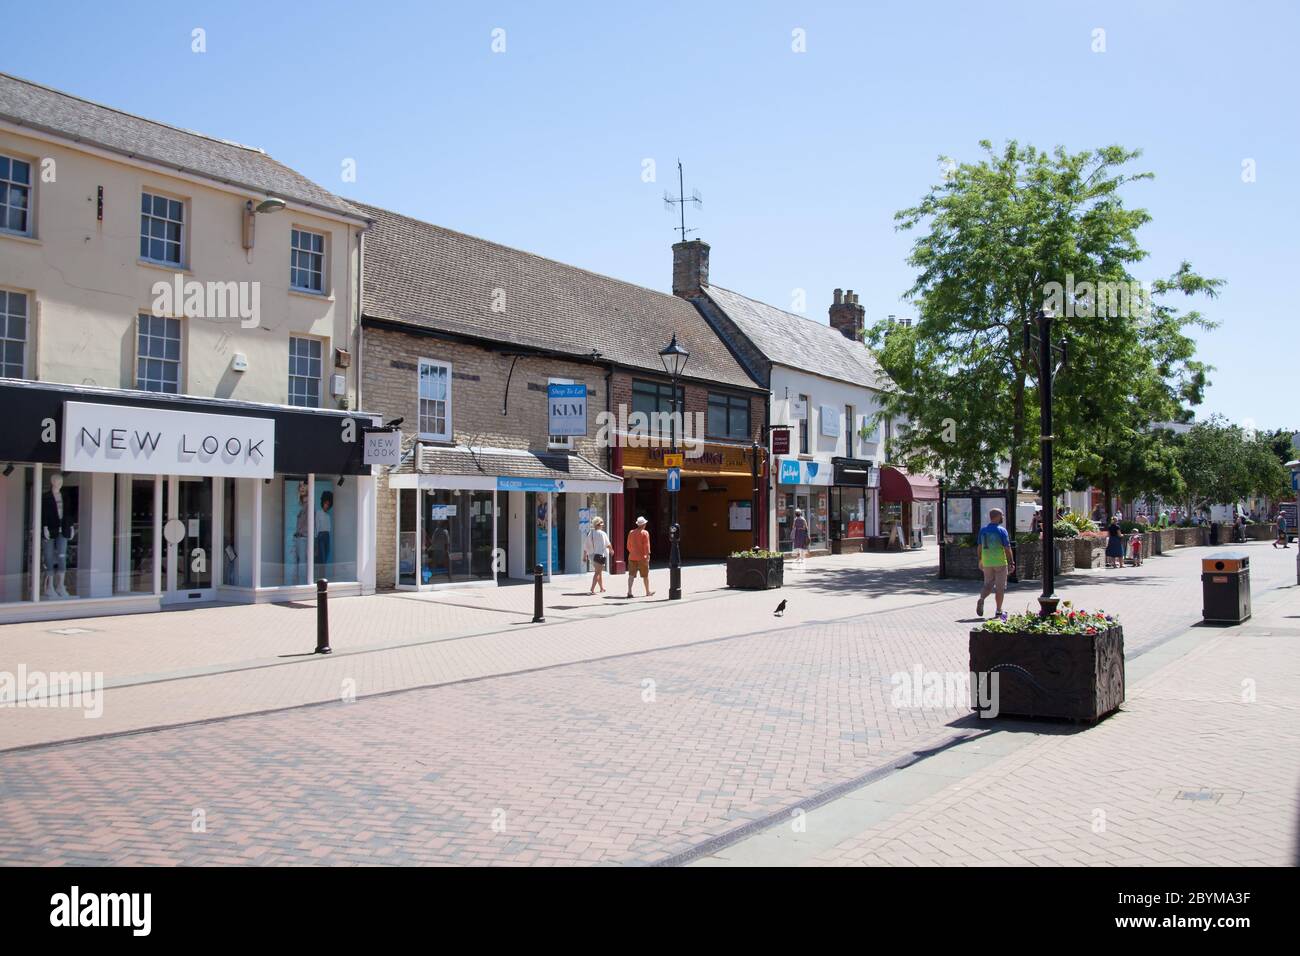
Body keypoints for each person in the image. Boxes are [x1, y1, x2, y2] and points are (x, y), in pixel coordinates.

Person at [975, 508, 1015, 617]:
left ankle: (982, 598)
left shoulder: (983, 530)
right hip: (1000, 562)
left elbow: (979, 547)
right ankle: (998, 610)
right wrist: (1011, 562)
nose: (1003, 517)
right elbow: (1007, 548)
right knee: (1000, 588)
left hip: (987, 562)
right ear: (997, 516)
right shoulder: (1001, 530)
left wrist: (980, 559)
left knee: (987, 585)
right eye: (1002, 515)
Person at [625, 515, 654, 598]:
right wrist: (647, 555)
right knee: (645, 575)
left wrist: (633, 552)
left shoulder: (631, 532)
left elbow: (628, 546)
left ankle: (629, 591)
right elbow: (646, 546)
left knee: (631, 575)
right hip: (642, 557)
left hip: (632, 556)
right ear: (643, 525)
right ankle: (648, 591)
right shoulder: (645, 533)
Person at [583, 516, 611, 593]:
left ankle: (601, 588)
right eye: (601, 524)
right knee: (597, 572)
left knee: (599, 571)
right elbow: (608, 544)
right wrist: (611, 550)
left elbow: (586, 545)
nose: (603, 525)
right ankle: (592, 589)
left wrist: (584, 556)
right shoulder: (602, 533)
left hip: (592, 555)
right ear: (598, 524)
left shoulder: (591, 533)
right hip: (600, 555)